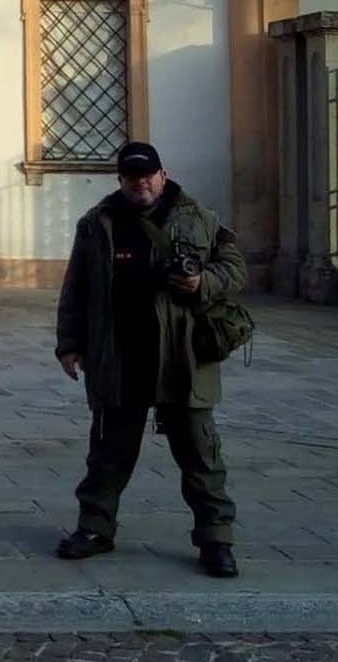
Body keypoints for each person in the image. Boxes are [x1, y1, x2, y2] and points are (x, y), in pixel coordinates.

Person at [53, 141, 247, 578]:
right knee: (108, 451)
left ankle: (216, 539)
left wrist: (201, 281)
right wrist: (69, 344)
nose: (141, 183)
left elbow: (235, 268)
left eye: (148, 176)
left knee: (201, 452)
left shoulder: (199, 218)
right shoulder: (97, 224)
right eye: (132, 177)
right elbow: (76, 290)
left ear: (163, 174)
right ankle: (94, 528)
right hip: (119, 355)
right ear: (120, 179)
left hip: (183, 356)